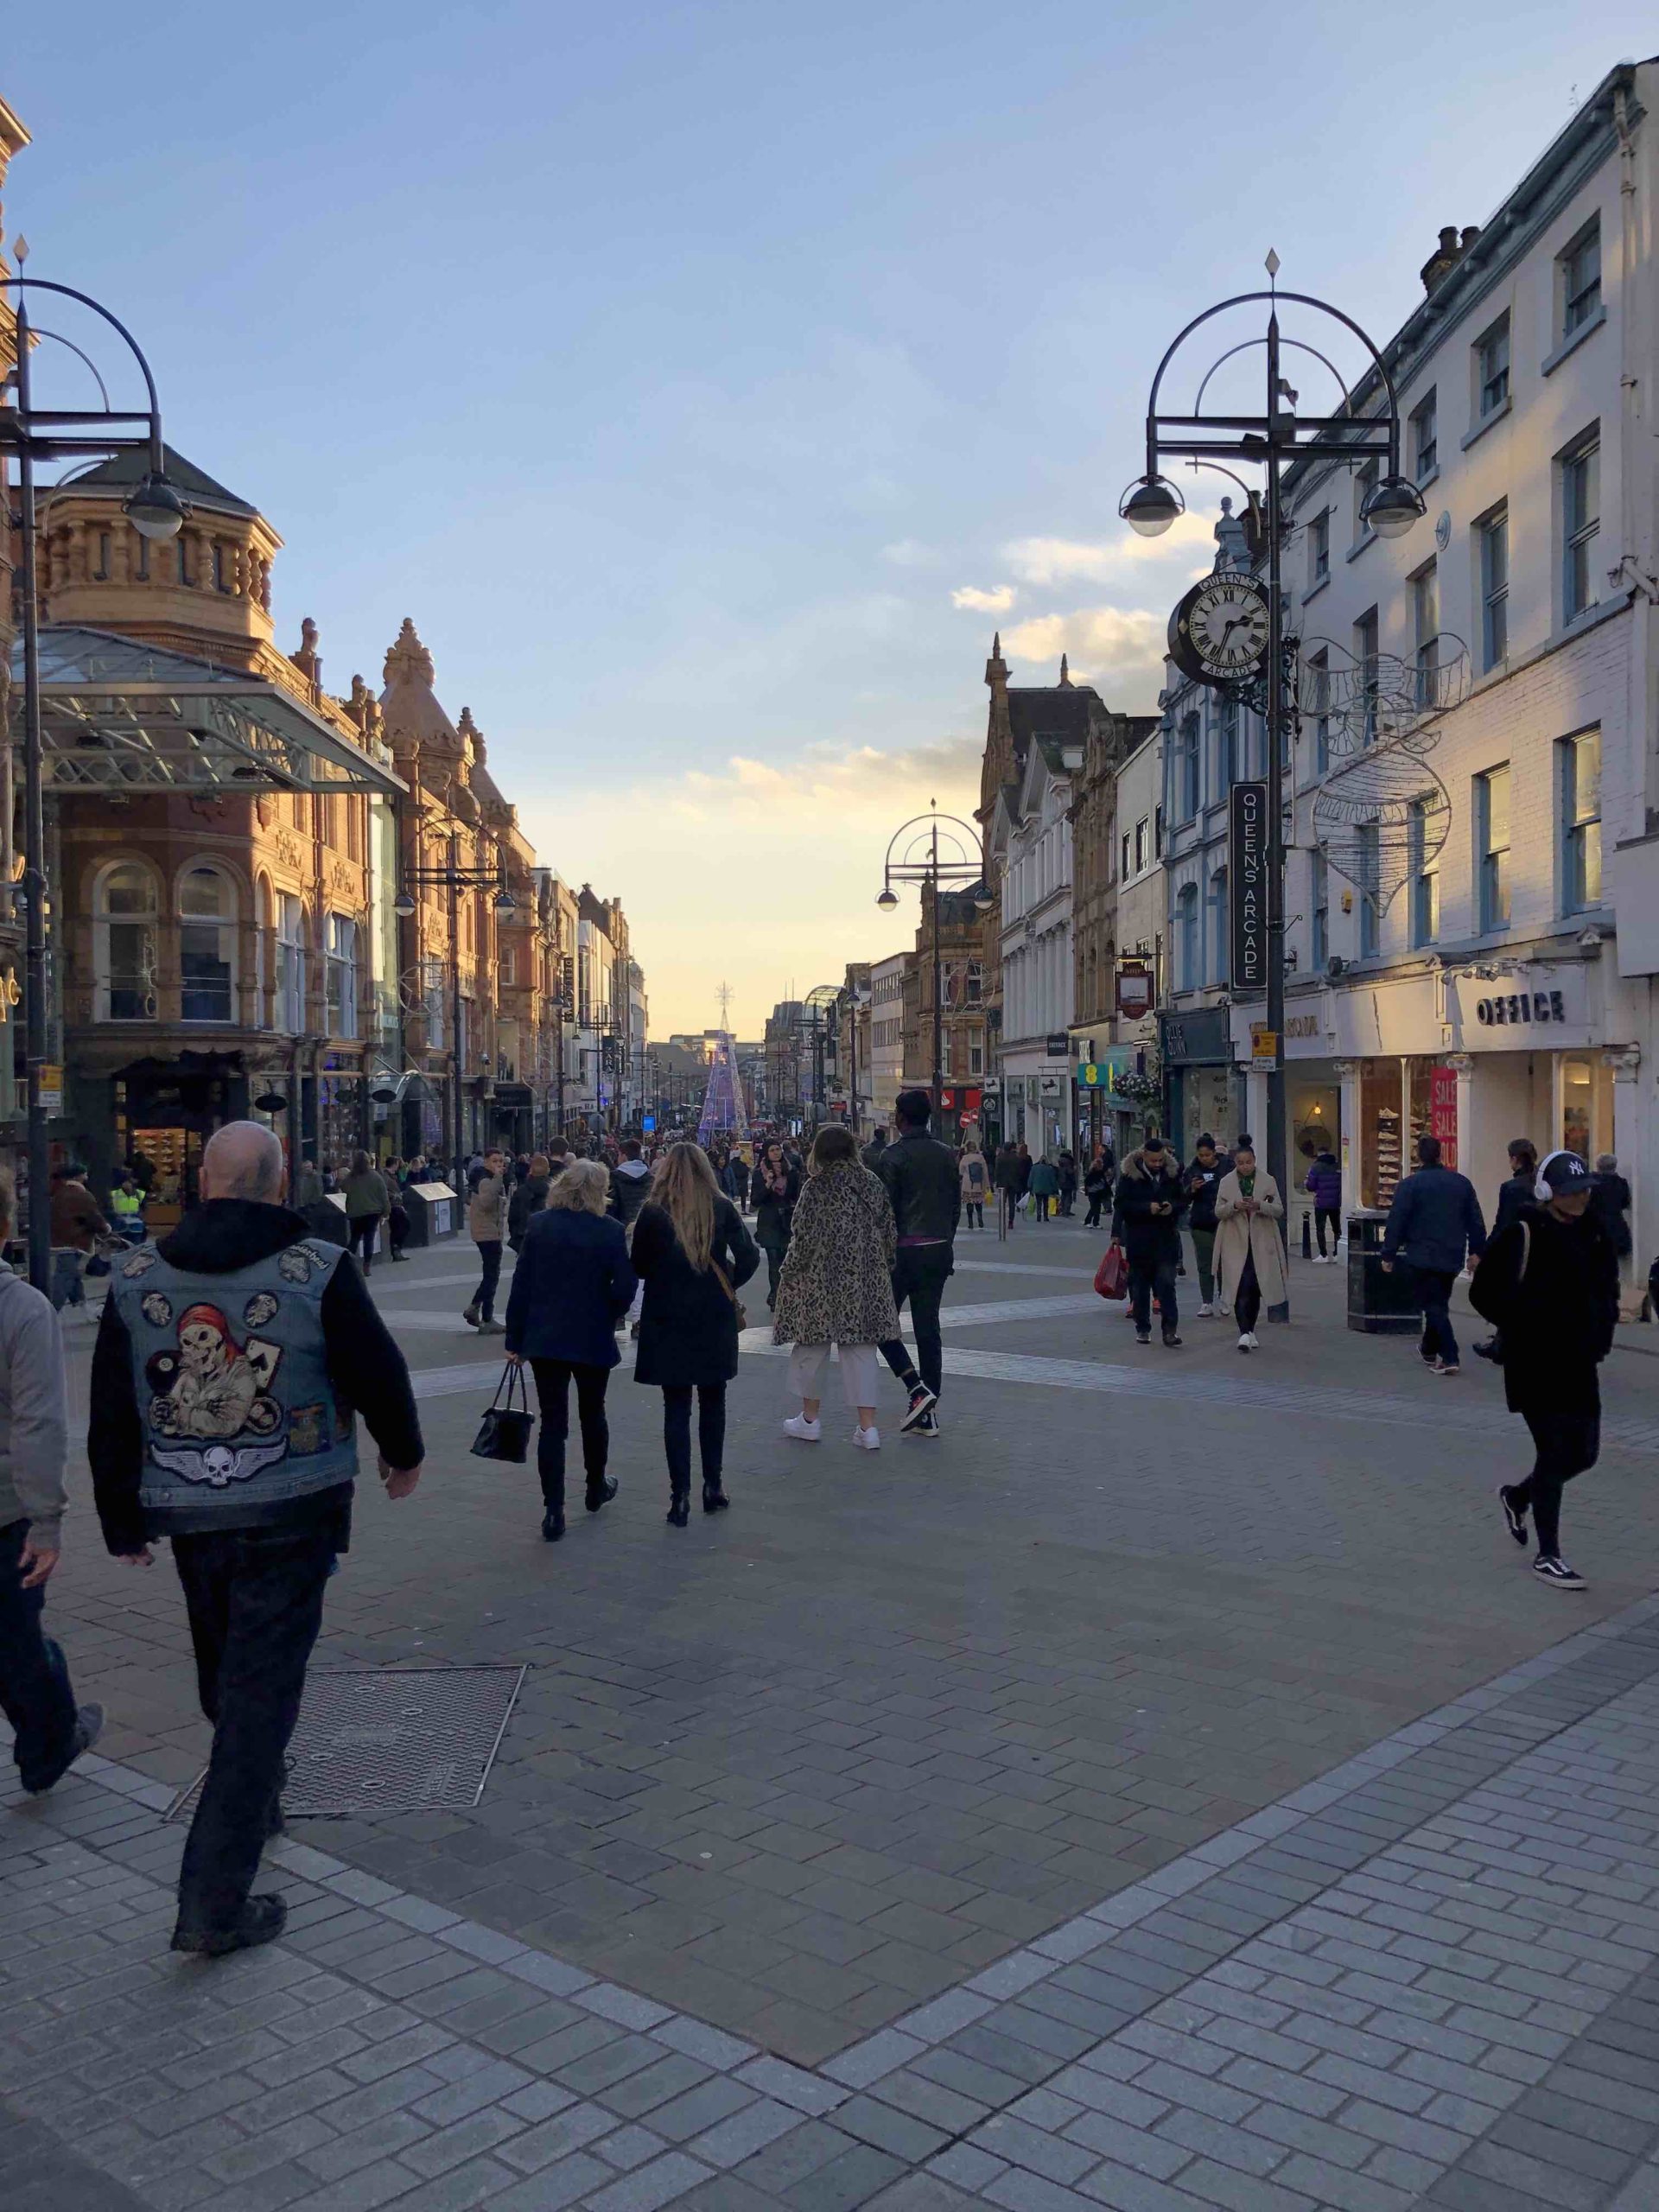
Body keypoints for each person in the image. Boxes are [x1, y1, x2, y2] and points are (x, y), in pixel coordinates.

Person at [88, 1121, 423, 1955]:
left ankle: (257, 1787)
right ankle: (213, 1899)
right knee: (259, 1697)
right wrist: (402, 1454)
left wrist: (120, 1516)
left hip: (189, 1510)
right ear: (278, 1185)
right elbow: (375, 1367)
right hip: (292, 1506)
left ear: (204, 1182)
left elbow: (109, 1410)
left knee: (226, 1667)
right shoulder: (317, 1269)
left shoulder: (134, 1278)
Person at [0, 1168, 104, 1796]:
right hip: (5, 1511)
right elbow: (38, 1425)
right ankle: (49, 1742)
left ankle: (52, 1734)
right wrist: (47, 1519)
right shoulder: (21, 1310)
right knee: (16, 1644)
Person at [1472, 1149, 1618, 1591]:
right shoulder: (1523, 1231)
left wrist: (1601, 1335)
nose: (1580, 1198)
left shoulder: (1595, 1234)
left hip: (1579, 1362)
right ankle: (1548, 1554)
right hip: (1533, 1362)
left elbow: (1607, 1292)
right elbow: (1483, 1293)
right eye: (1570, 1191)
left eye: (1584, 1190)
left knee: (1585, 1453)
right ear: (1547, 1192)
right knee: (1554, 1452)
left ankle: (1518, 1496)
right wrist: (1521, 1324)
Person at [505, 1160, 635, 1541]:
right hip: (591, 1335)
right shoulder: (609, 1232)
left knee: (553, 1423)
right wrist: (608, 1313)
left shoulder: (540, 1225)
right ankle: (595, 1487)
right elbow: (625, 1288)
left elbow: (522, 1285)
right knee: (593, 1414)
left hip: (546, 1339)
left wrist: (516, 1339)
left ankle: (553, 1510)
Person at [632, 1143, 759, 1524]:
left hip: (667, 1317)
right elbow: (750, 1256)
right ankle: (713, 1486)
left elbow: (638, 1266)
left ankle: (679, 1497)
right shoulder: (720, 1207)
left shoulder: (653, 1213)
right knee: (713, 1402)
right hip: (712, 1316)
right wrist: (728, 1282)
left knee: (676, 1406)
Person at [775, 1124, 899, 1451]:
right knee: (861, 1350)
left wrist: (788, 1272)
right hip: (864, 1279)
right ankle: (868, 1428)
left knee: (812, 1346)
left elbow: (802, 1238)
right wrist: (883, 1264)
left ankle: (810, 1420)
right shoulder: (871, 1183)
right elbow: (889, 1229)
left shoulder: (816, 1187)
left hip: (821, 1281)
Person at [874, 1090, 960, 1435]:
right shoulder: (945, 1154)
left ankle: (916, 1389)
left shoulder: (892, 1156)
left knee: (881, 1323)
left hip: (902, 1252)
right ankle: (929, 1411)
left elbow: (886, 1211)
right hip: (937, 1250)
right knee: (929, 1330)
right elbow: (954, 1207)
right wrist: (945, 1242)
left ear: (900, 1117)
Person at [1380, 1134, 1488, 1376]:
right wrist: (1477, 1251)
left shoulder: (1409, 1185)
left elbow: (1397, 1221)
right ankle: (1428, 1348)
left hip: (1421, 1254)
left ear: (1418, 1156)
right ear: (1441, 1154)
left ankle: (1450, 1355)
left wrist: (1388, 1253)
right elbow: (1476, 1221)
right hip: (1451, 1254)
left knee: (1433, 1305)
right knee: (1437, 1302)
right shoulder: (1461, 1184)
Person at [1114, 1135, 1187, 1348]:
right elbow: (1121, 1205)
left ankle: (1170, 1331)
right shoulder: (1130, 1176)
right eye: (1153, 1161)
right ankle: (1143, 1327)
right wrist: (1147, 1208)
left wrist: (1172, 1207)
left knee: (1166, 1285)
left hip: (1165, 1239)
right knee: (1140, 1287)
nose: (1157, 1165)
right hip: (1139, 1240)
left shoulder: (1171, 1174)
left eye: (1160, 1161)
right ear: (1144, 1156)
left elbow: (1181, 1200)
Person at [1214, 1142, 1287, 1351]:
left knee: (1255, 1287)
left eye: (1248, 1162)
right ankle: (1243, 1332)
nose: (1245, 1167)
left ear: (1254, 1161)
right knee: (1240, 1285)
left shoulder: (1267, 1181)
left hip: (1261, 1243)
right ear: (1235, 1163)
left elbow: (1278, 1209)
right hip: (1234, 1242)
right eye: (1240, 1163)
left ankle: (1251, 1329)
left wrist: (1260, 1205)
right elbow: (1218, 1211)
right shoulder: (1227, 1182)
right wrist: (1234, 1206)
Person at [1473, 1140, 1539, 1363]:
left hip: (1517, 1250)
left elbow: (1503, 1225)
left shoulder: (1511, 1188)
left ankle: (1504, 1345)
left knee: (1507, 1296)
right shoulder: (1542, 1183)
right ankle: (1505, 1343)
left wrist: (1484, 1252)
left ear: (1514, 1159)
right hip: (1543, 1247)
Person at [48, 1163, 109, 1317]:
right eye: (85, 1173)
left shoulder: (60, 1193)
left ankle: (85, 1307)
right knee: (65, 1276)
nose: (87, 1176)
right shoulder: (82, 1195)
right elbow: (93, 1217)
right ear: (78, 1177)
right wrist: (106, 1229)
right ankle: (50, 1312)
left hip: (59, 1240)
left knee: (73, 1275)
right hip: (74, 1241)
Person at [463, 1148, 508, 1333]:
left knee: (491, 1274)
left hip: (489, 1232)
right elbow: (488, 1203)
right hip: (487, 1234)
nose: (499, 1165)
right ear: (486, 1162)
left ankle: (480, 1312)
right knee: (491, 1275)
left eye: (501, 1161)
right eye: (495, 1161)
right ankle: (482, 1314)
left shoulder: (488, 1179)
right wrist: (498, 1179)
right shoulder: (486, 1180)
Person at [753, 1140, 800, 1312]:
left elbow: (797, 1195)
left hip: (787, 1221)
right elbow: (756, 1201)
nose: (776, 1153)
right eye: (772, 1150)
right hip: (769, 1221)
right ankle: (775, 1294)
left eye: (778, 1149)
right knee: (773, 1260)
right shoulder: (760, 1173)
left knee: (785, 1260)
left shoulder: (792, 1172)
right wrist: (768, 1184)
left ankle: (788, 1294)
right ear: (766, 1153)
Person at [1183, 1135, 1228, 1313]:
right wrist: (1192, 1189)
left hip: (1223, 1220)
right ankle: (1207, 1301)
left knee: (1224, 1263)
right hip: (1201, 1221)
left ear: (1214, 1153)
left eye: (1207, 1155)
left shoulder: (1227, 1167)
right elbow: (1183, 1198)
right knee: (1205, 1264)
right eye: (1201, 1155)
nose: (1204, 1159)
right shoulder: (1192, 1170)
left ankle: (1225, 1298)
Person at [341, 1149, 390, 1274]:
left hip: (355, 1213)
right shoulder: (375, 1176)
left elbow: (343, 1187)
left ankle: (348, 1263)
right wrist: (386, 1211)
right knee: (369, 1239)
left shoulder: (351, 1177)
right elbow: (383, 1195)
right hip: (372, 1212)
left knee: (354, 1239)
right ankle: (367, 1266)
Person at [1590, 1152, 1633, 1265]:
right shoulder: (1621, 1183)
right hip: (1617, 1226)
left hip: (1596, 1227)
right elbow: (1625, 1203)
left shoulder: (1592, 1182)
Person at [508, 1153, 553, 1253]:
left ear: (531, 1170)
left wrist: (516, 1235)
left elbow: (513, 1217)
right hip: (547, 1238)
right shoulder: (554, 1192)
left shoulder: (521, 1191)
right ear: (548, 1170)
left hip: (524, 1236)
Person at [1305, 1148, 1342, 1263]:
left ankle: (1323, 1255)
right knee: (1337, 1229)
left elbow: (1311, 1186)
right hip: (1335, 1202)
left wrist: (1306, 1183)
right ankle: (1337, 1253)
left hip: (1321, 1202)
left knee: (1320, 1228)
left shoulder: (1316, 1167)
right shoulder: (1337, 1166)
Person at [608, 1137, 653, 1231]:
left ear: (624, 1156)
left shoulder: (613, 1178)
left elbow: (611, 1208)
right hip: (647, 1230)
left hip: (621, 1230)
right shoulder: (651, 1178)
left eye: (619, 1155)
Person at [959, 1141, 989, 1230]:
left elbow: (960, 1171)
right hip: (979, 1184)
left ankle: (970, 1222)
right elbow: (985, 1172)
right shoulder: (981, 1158)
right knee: (979, 1203)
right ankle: (980, 1219)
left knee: (969, 1203)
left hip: (968, 1184)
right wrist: (987, 1185)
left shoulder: (965, 1158)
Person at [994, 1141, 1023, 1233]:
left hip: (1003, 1183)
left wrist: (997, 1181)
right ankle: (1011, 1221)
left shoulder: (1000, 1158)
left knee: (1002, 1202)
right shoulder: (1016, 1158)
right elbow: (1019, 1171)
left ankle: (1002, 1218)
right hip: (1013, 1182)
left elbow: (997, 1170)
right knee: (1011, 1203)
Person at [110, 1173, 147, 1244]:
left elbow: (144, 1208)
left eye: (129, 1182)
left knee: (136, 1247)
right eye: (125, 1182)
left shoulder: (139, 1194)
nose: (127, 1184)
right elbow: (109, 1208)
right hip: (120, 1226)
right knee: (120, 1249)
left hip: (136, 1227)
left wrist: (142, 1218)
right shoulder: (114, 1193)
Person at [1083, 1147, 1114, 1230]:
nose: (1103, 1165)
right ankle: (1088, 1221)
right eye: (1101, 1164)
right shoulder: (1094, 1174)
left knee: (1097, 1207)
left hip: (1098, 1192)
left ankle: (1096, 1223)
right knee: (1094, 1207)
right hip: (1093, 1192)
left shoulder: (1100, 1173)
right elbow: (1088, 1183)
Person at [1028, 1153, 1059, 1223]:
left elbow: (1031, 1179)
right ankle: (1045, 1217)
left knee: (1039, 1202)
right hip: (1047, 1189)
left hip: (1037, 1188)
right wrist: (1055, 1190)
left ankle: (1038, 1216)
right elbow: (1053, 1180)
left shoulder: (1034, 1168)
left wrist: (1030, 1187)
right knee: (1046, 1203)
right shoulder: (1050, 1169)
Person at [1057, 1147, 1078, 1218]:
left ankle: (1062, 1210)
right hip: (1068, 1181)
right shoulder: (1068, 1161)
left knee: (1063, 1196)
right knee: (1068, 1197)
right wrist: (1074, 1170)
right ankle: (1066, 1211)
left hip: (1062, 1181)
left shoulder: (1060, 1160)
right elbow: (1069, 1172)